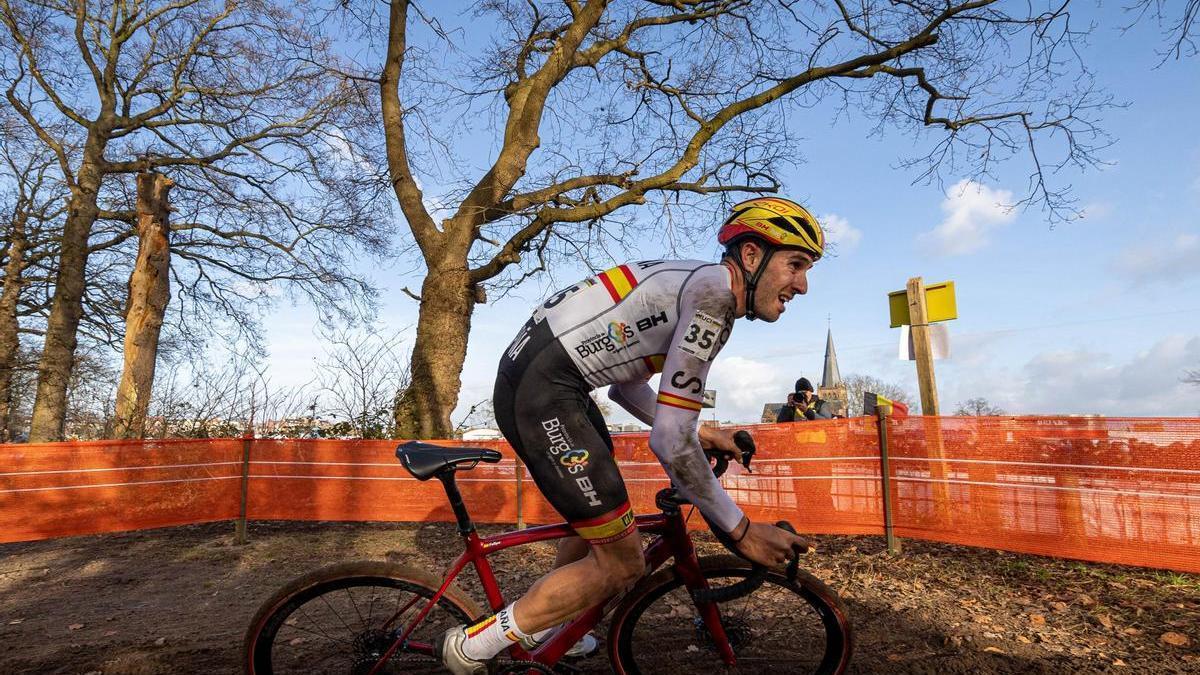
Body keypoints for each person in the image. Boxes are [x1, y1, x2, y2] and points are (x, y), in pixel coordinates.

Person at [438, 197, 825, 674]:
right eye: (796, 264)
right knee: (622, 565)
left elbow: (627, 387)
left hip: (554, 382)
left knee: (599, 521)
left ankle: (548, 625)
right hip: (546, 391)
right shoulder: (714, 299)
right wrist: (740, 530)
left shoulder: (699, 283)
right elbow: (669, 440)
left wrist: (698, 431)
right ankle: (472, 647)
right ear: (751, 256)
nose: (802, 285)